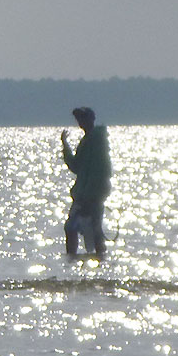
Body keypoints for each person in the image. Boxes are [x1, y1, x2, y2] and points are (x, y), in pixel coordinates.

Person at [60, 107, 112, 255]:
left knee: (92, 230)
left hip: (93, 195)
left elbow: (102, 171)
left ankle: (95, 260)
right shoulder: (88, 140)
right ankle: (73, 260)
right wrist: (65, 145)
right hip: (84, 194)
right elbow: (76, 166)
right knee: (73, 228)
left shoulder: (98, 141)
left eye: (83, 119)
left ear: (91, 119)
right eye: (79, 120)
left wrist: (90, 194)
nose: (81, 123)